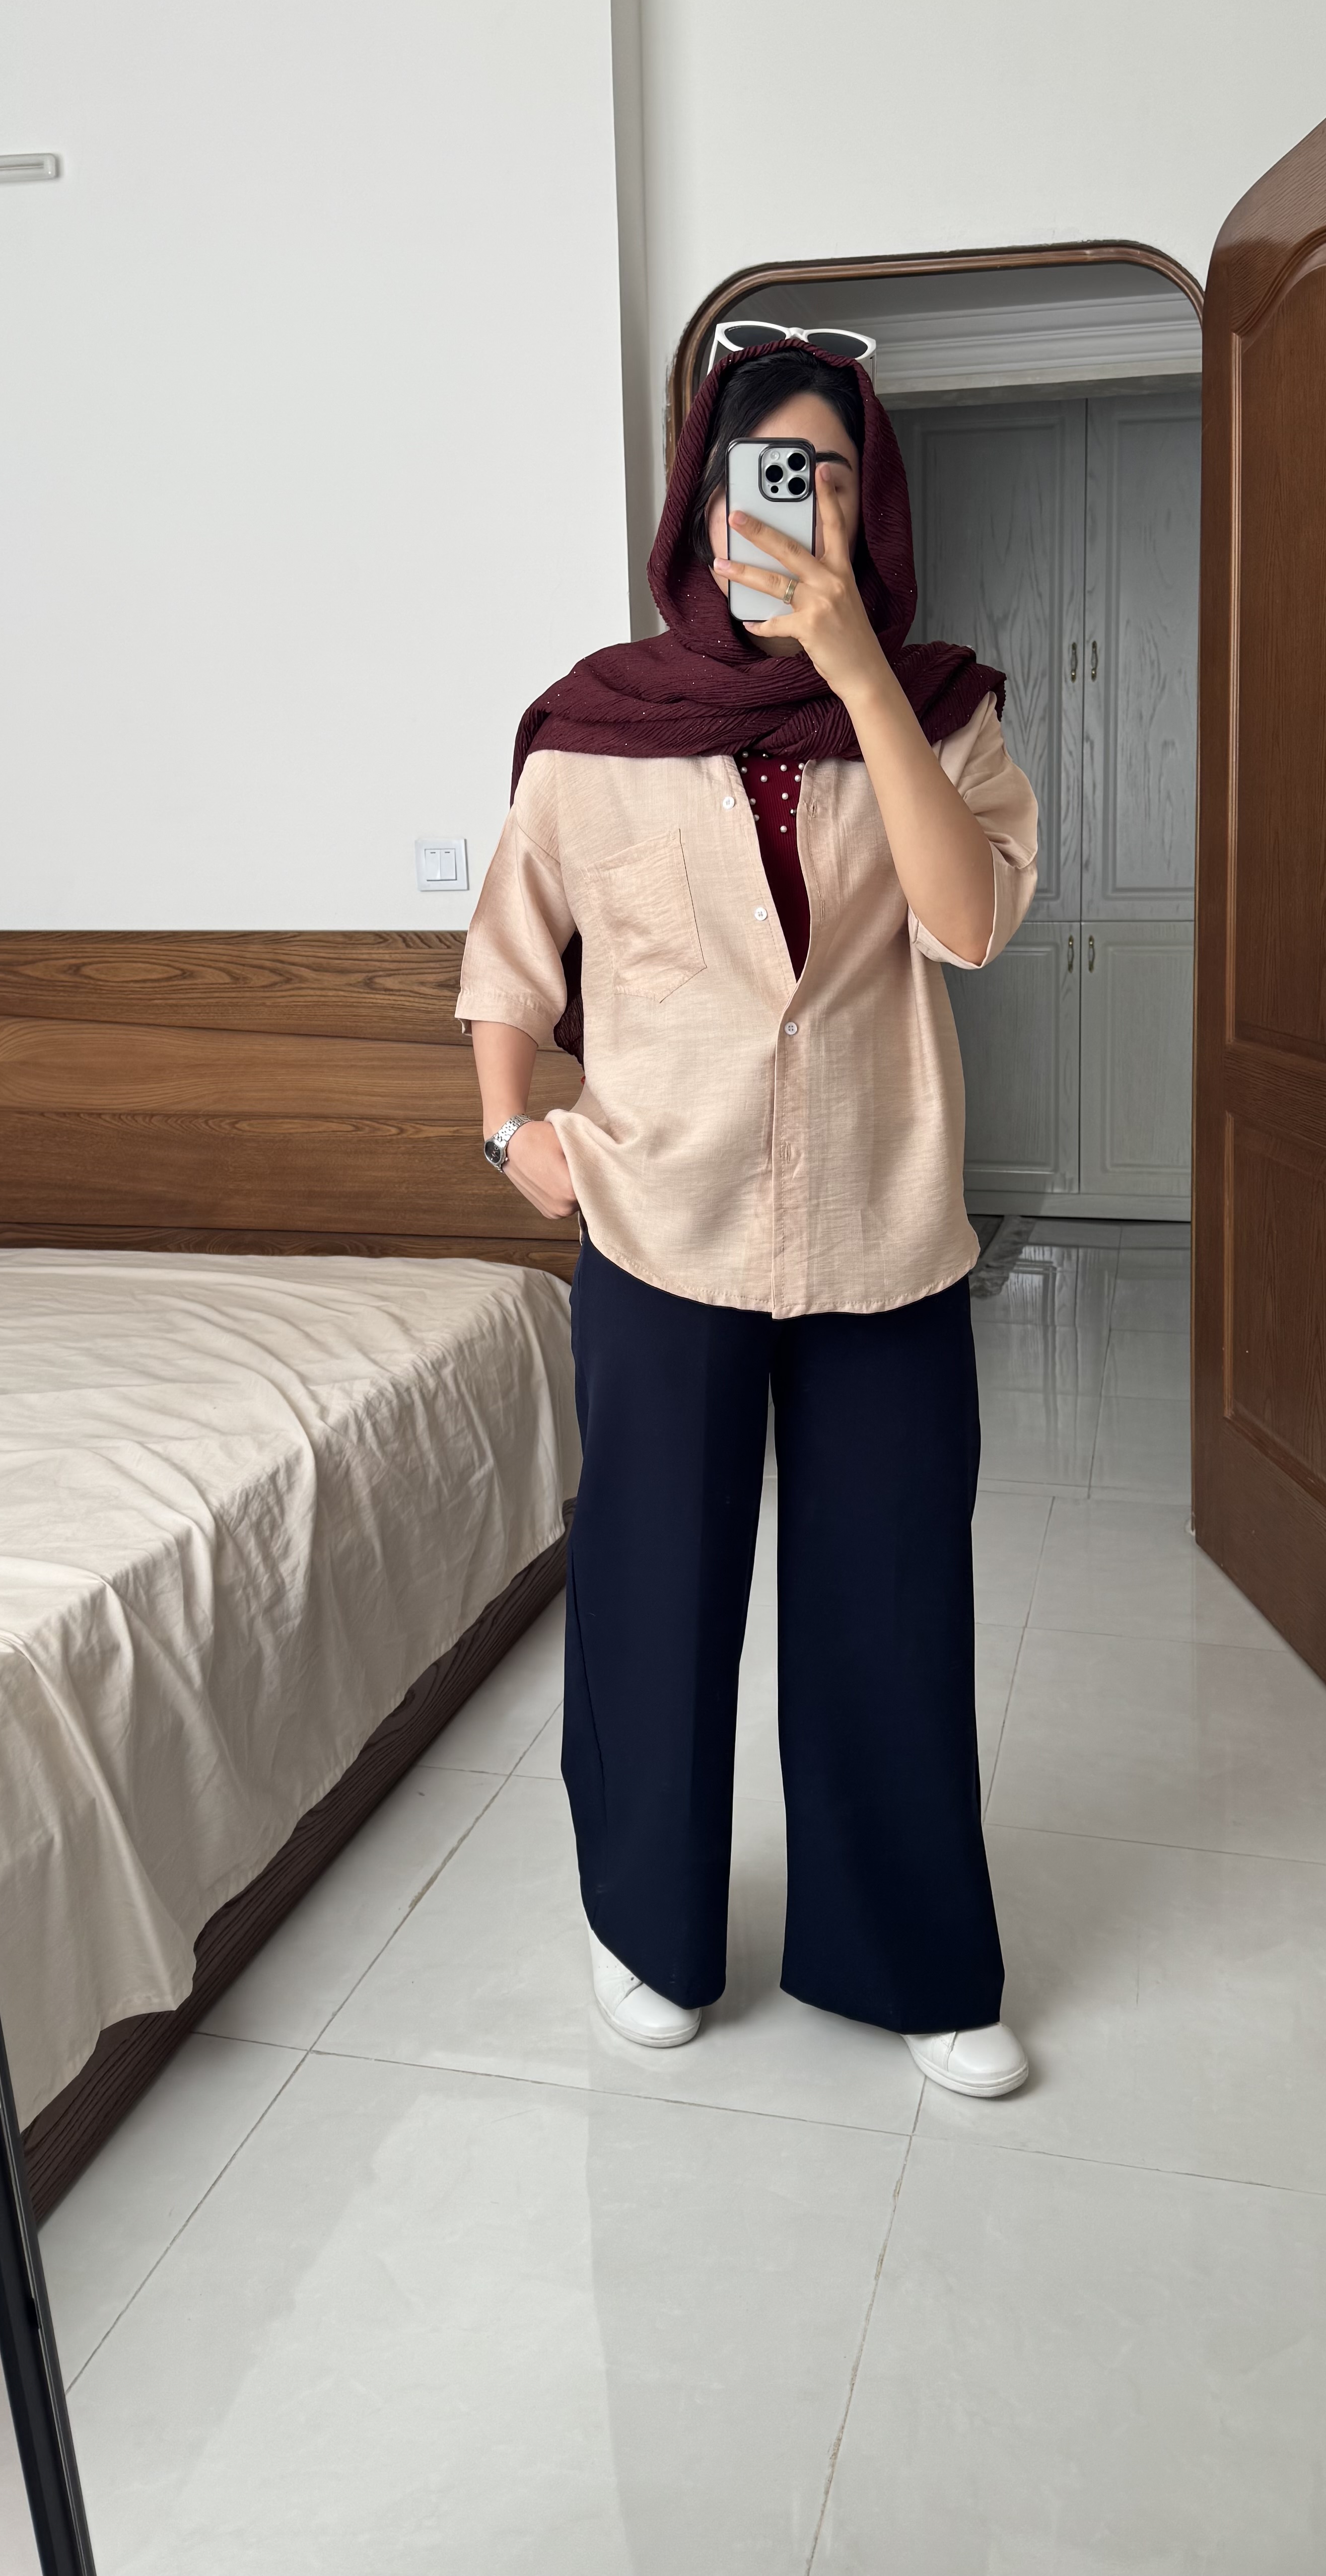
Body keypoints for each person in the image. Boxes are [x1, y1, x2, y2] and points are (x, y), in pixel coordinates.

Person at [457, 339, 1038, 2099]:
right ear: (700, 507)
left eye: (830, 473)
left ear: (876, 505)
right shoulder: (596, 724)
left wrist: (858, 675)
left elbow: (968, 926)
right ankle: (648, 1926)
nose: (796, 503)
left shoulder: (944, 710)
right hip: (660, 1220)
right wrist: (512, 1129)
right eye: (764, 473)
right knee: (653, 1588)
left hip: (881, 1221)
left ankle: (912, 1954)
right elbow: (510, 949)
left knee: (892, 1599)